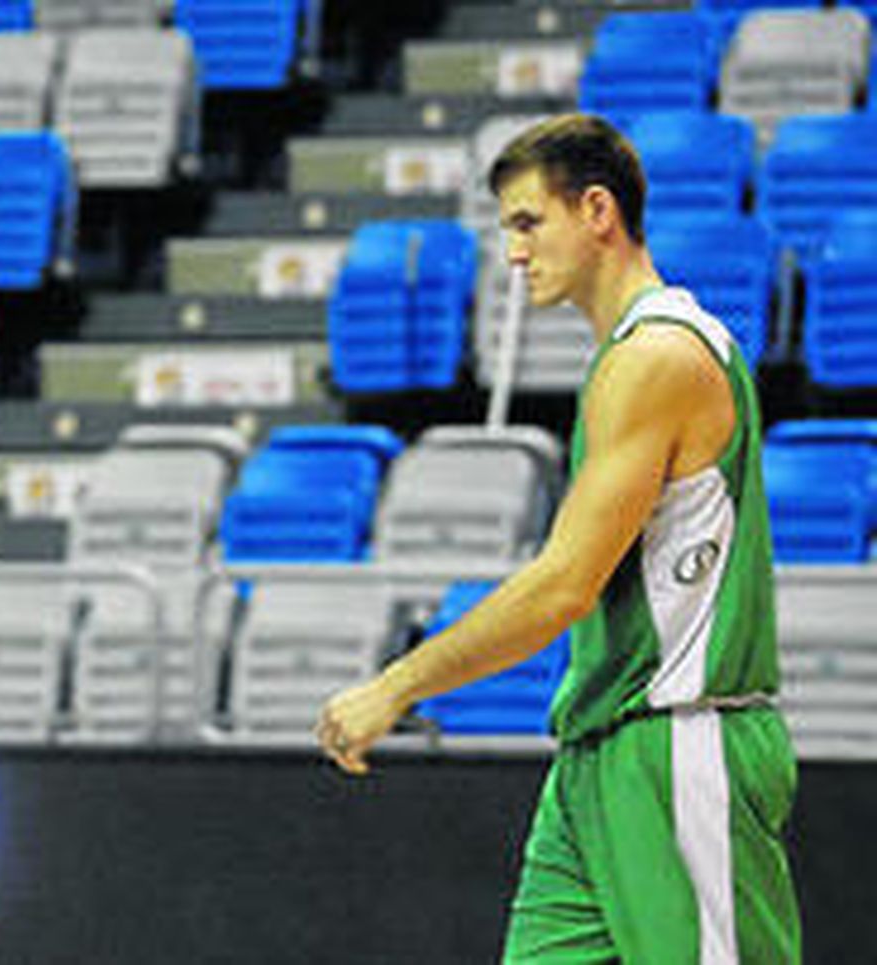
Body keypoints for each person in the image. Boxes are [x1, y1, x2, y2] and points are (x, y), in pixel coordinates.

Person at [314, 114, 799, 964]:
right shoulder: (627, 356)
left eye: (528, 223)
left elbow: (565, 584)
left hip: (678, 740)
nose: (513, 253)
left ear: (598, 210)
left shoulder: (659, 357)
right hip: (600, 746)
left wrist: (396, 686)